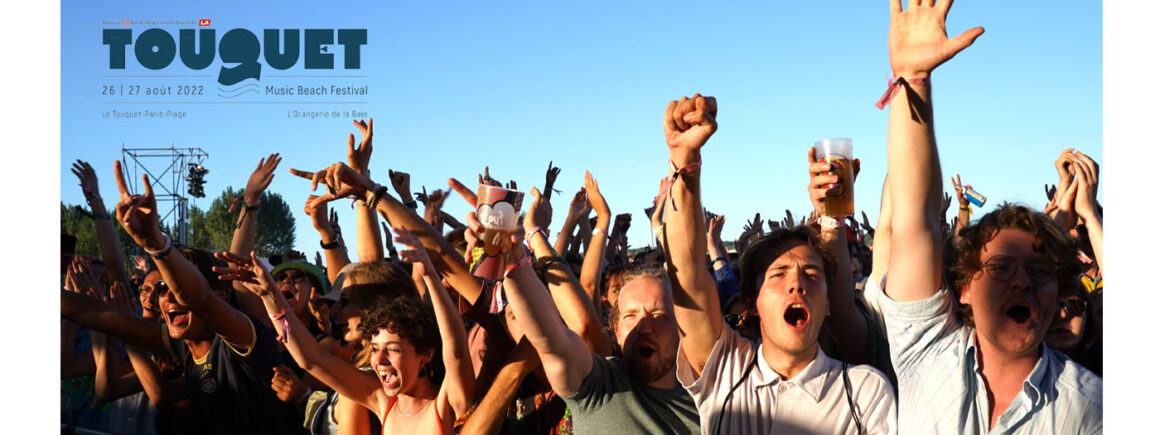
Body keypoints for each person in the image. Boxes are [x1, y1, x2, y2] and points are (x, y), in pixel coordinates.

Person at [874, 1, 1101, 432]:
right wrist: (914, 81)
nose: (1022, 281)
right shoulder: (925, 352)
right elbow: (914, 223)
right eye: (1000, 267)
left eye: (1040, 270)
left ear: (1058, 293)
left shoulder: (1094, 411)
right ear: (962, 288)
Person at [659, 93, 895, 434]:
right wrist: (684, 159)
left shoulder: (864, 392)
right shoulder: (725, 371)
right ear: (753, 302)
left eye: (812, 274)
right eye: (778, 274)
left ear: (829, 302)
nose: (797, 283)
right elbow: (688, 272)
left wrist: (832, 220)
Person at [216, 225, 474, 434]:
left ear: (426, 353)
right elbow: (311, 359)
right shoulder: (381, 400)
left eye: (393, 349)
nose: (379, 361)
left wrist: (430, 274)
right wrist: (270, 295)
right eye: (375, 349)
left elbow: (458, 352)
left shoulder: (447, 405)